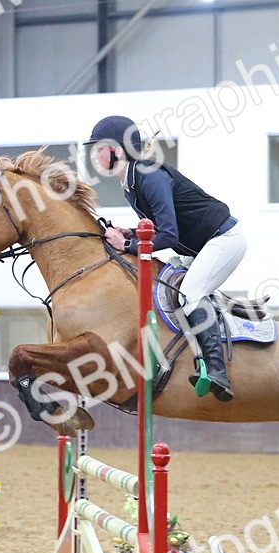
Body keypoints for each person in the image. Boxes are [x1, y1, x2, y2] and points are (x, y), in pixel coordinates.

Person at [85, 115, 246, 402]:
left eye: (100, 148)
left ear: (118, 150)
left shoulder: (147, 175)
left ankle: (217, 370)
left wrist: (129, 244)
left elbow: (168, 236)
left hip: (224, 240)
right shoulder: (131, 182)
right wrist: (130, 232)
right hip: (201, 247)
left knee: (190, 293)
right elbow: (159, 228)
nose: (95, 155)